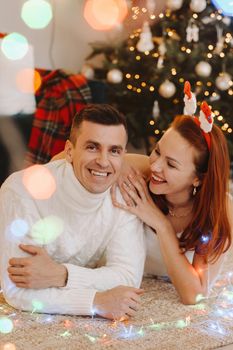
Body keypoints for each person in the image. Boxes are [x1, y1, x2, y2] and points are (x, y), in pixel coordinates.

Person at [0, 104, 146, 320]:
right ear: (69, 151)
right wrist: (95, 301)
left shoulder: (124, 195)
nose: (104, 161)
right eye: (92, 147)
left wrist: (62, 275)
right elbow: (17, 291)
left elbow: (127, 276)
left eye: (114, 150)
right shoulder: (22, 190)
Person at [112, 83, 233, 305]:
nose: (156, 166)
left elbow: (193, 295)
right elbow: (65, 160)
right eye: (157, 151)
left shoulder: (218, 209)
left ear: (198, 178)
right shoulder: (142, 170)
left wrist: (162, 225)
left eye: (172, 164)